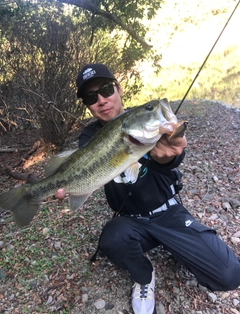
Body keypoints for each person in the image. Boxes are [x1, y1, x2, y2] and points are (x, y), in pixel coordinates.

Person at [56, 63, 240, 314]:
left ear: (119, 89)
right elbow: (84, 172)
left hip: (169, 214)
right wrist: (68, 188)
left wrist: (167, 157)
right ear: (88, 104)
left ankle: (180, 246)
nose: (101, 100)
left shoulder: (143, 122)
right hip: (131, 222)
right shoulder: (89, 137)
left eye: (107, 89)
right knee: (111, 241)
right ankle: (145, 277)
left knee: (229, 274)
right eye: (91, 96)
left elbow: (169, 157)